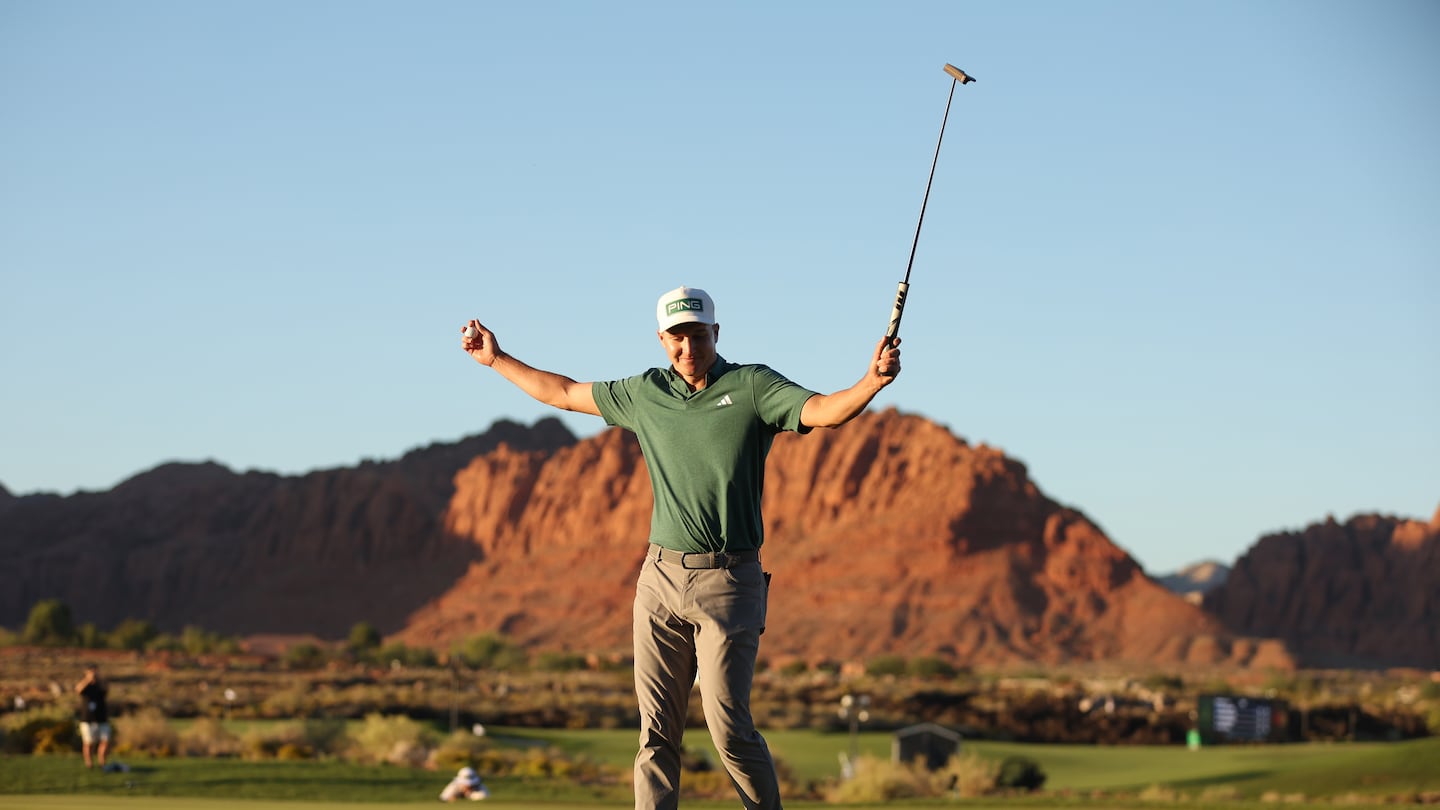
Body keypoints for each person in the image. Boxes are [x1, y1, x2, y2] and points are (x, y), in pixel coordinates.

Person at [460, 285, 901, 810]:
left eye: (697, 334)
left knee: (729, 728)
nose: (687, 347)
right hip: (659, 580)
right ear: (661, 339)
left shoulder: (753, 386)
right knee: (655, 733)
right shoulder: (645, 393)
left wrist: (870, 382)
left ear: (716, 332)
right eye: (676, 337)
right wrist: (497, 359)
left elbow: (824, 411)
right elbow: (562, 391)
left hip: (730, 582)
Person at [74, 663, 111, 770]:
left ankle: (102, 763)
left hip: (101, 718)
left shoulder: (100, 685)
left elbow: (106, 689)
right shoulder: (86, 686)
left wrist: (98, 679)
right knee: (88, 743)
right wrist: (88, 679)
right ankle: (89, 764)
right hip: (87, 719)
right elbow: (78, 689)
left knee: (105, 741)